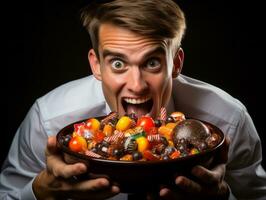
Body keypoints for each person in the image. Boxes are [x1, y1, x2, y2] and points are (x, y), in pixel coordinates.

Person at [1, 0, 266, 199]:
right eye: (118, 63)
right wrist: (40, 192)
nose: (137, 86)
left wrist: (222, 196)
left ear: (175, 64)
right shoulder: (49, 117)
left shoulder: (229, 120)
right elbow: (9, 195)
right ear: (96, 65)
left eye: (152, 62)